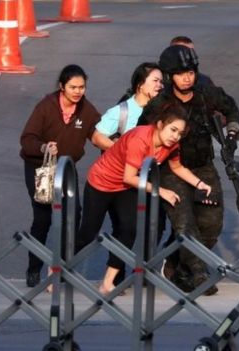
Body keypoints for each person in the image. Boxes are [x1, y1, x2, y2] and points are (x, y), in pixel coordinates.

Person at [77, 101, 212, 294]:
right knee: (88, 233)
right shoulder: (140, 138)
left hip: (125, 187)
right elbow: (129, 177)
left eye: (180, 133)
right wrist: (161, 191)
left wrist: (200, 184)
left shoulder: (171, 146)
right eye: (172, 130)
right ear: (160, 125)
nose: (175, 137)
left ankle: (107, 282)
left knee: (129, 229)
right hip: (102, 182)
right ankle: (54, 270)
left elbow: (177, 168)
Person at [138, 45, 239, 295]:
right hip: (170, 170)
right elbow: (142, 133)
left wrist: (232, 131)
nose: (187, 77)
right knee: (184, 223)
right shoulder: (160, 104)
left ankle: (177, 265)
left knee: (211, 222)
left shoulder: (207, 94)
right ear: (168, 75)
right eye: (180, 73)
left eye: (191, 72)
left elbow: (231, 108)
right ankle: (198, 274)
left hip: (202, 166)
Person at [20, 64, 101, 288]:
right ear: (61, 87)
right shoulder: (46, 107)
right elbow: (27, 138)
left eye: (82, 87)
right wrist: (43, 147)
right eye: (73, 87)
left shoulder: (86, 109)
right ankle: (33, 268)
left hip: (66, 168)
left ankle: (62, 267)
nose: (77, 92)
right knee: (43, 218)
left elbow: (99, 131)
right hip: (41, 168)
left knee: (73, 215)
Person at [91, 62, 163, 286]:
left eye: (162, 81)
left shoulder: (162, 111)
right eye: (155, 81)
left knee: (151, 225)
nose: (160, 85)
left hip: (147, 178)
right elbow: (96, 136)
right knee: (121, 227)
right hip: (118, 178)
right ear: (141, 85)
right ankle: (115, 275)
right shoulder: (123, 111)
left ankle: (140, 273)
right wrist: (120, 151)